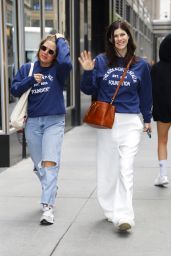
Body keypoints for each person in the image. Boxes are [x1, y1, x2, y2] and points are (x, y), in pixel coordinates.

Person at [78, 20, 152, 232]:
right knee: (108, 169)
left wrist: (147, 119)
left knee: (126, 169)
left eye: (123, 34)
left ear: (129, 36)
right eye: (115, 35)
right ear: (111, 39)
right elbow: (87, 89)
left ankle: (124, 216)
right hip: (107, 122)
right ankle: (110, 208)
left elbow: (146, 96)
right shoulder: (101, 61)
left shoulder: (141, 65)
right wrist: (88, 71)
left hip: (130, 122)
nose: (120, 39)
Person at [11, 33, 72, 225]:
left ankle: (47, 207)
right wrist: (30, 81)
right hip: (33, 123)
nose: (46, 53)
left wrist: (60, 39)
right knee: (39, 165)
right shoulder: (27, 69)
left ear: (55, 55)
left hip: (54, 121)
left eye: (51, 51)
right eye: (43, 48)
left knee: (49, 163)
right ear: (39, 49)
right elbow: (14, 89)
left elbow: (66, 62)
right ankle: (51, 186)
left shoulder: (58, 70)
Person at [151, 34, 171, 186]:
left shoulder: (156, 68)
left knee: (162, 141)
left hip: (163, 110)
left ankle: (163, 175)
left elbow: (153, 91)